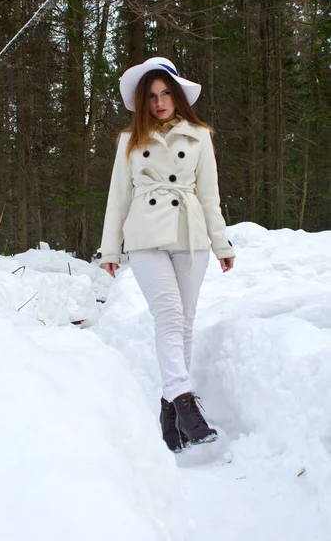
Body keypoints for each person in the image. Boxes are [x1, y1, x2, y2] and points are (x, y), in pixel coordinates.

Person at [99, 57, 235, 452]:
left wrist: (221, 241)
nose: (160, 102)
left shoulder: (198, 135)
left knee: (185, 323)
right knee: (169, 315)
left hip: (190, 235)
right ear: (143, 102)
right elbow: (117, 199)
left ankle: (169, 415)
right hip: (145, 236)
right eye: (152, 96)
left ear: (177, 96)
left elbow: (210, 195)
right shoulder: (129, 140)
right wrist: (110, 247)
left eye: (166, 93)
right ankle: (186, 404)